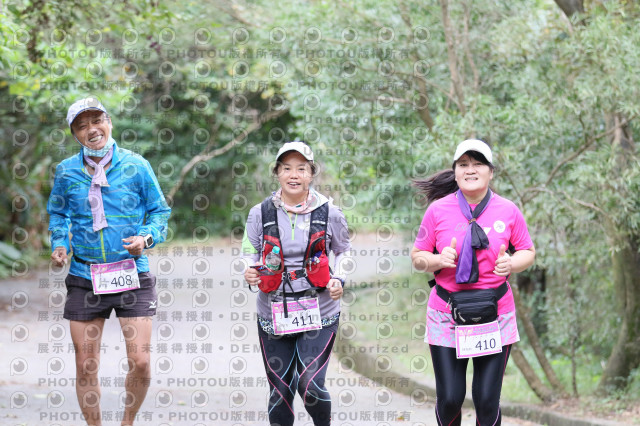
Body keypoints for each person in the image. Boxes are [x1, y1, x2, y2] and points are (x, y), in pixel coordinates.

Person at [47, 97, 171, 426]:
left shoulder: (136, 166)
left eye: (97, 121)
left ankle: (127, 422)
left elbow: (159, 212)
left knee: (141, 362)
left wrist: (146, 238)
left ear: (109, 122)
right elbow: (58, 213)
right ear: (75, 134)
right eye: (82, 126)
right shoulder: (66, 171)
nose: (91, 130)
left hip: (131, 272)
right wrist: (60, 243)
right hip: (85, 275)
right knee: (85, 365)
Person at [410, 139, 535, 425]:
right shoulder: (437, 211)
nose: (470, 169)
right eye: (463, 164)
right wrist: (437, 260)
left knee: (487, 400)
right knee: (450, 398)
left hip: (495, 314)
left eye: (478, 164)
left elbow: (527, 251)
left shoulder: (508, 210)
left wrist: (511, 263)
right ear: (455, 172)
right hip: (446, 313)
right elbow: (417, 257)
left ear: (491, 172)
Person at [242, 141, 351, 426]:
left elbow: (344, 251)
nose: (294, 175)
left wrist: (339, 278)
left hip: (320, 310)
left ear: (311, 173)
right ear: (277, 172)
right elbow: (249, 251)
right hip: (273, 310)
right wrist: (249, 270)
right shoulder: (259, 212)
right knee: (280, 392)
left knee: (310, 385)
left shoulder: (330, 212)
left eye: (301, 169)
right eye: (287, 168)